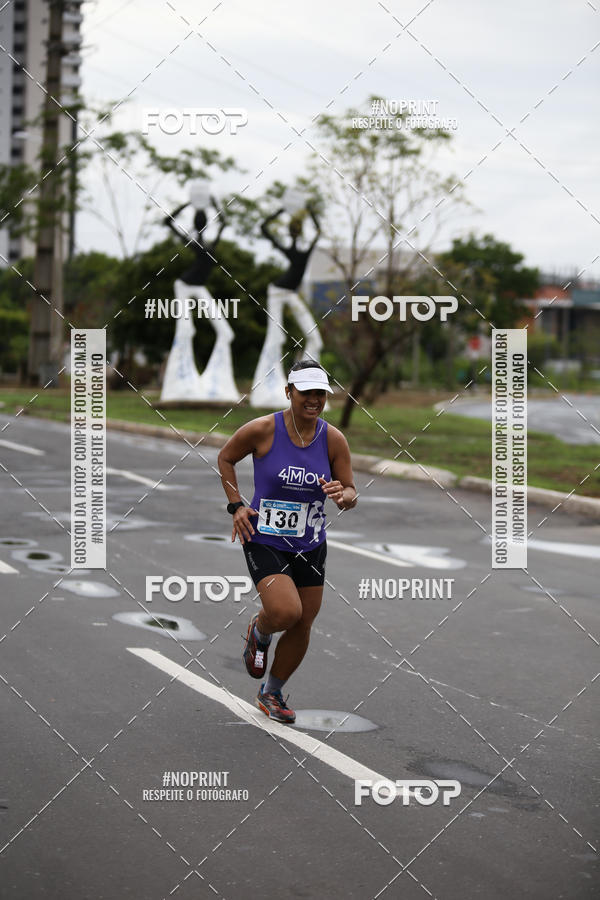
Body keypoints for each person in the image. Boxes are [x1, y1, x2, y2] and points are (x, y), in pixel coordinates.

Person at [217, 360, 357, 723]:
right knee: (285, 612)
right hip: (264, 537)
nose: (314, 400)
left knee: (303, 622)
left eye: (320, 393)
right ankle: (260, 630)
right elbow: (226, 458)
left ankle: (272, 692)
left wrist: (342, 496)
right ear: (289, 392)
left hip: (310, 543)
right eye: (306, 392)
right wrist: (236, 506)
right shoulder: (263, 429)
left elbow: (350, 491)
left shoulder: (333, 439)